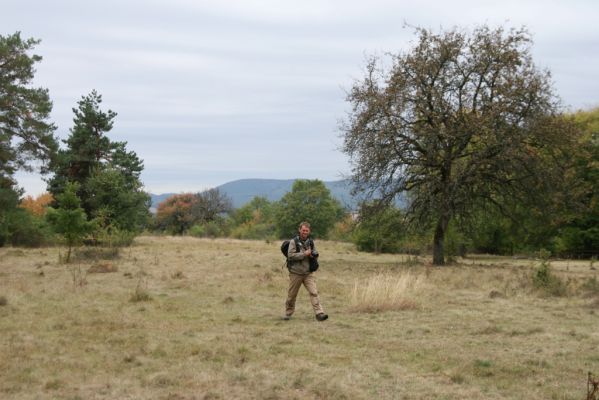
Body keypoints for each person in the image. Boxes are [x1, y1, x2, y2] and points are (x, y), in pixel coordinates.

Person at [283, 221, 328, 321]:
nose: (305, 232)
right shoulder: (293, 242)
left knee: (314, 292)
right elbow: (291, 255)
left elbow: (314, 253)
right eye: (303, 230)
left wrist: (313, 254)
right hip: (296, 273)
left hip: (308, 273)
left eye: (306, 231)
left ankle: (319, 313)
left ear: (309, 231)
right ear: (299, 230)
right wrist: (304, 254)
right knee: (292, 295)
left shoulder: (311, 242)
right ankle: (288, 313)